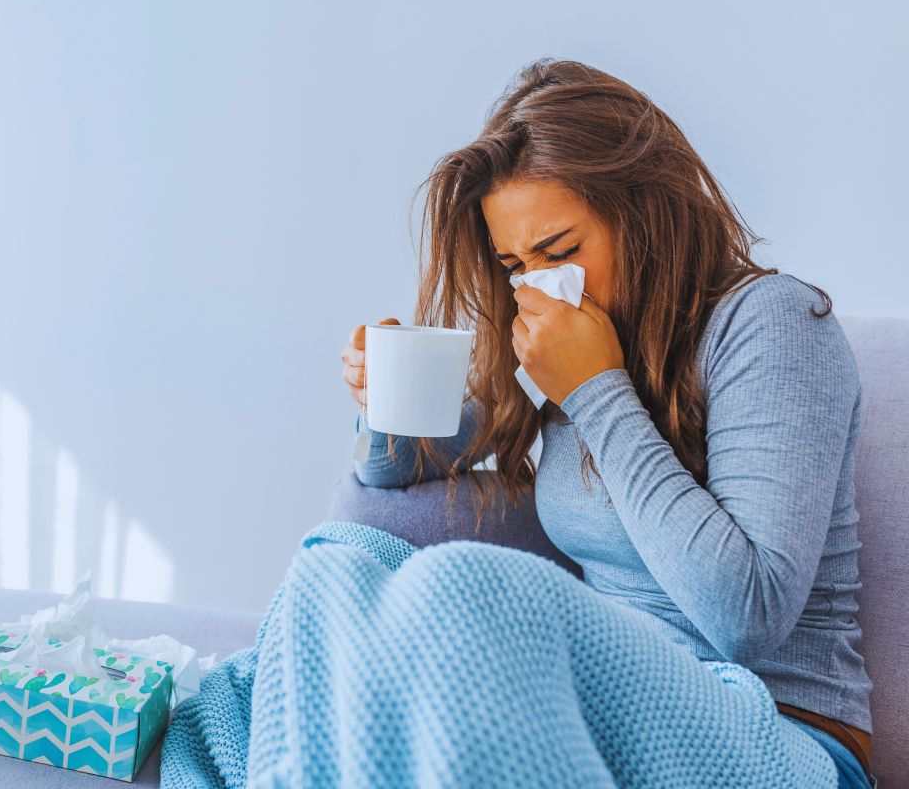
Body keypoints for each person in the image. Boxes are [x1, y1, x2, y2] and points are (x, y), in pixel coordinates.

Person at [339, 58, 875, 788]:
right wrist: (383, 404)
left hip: (780, 740)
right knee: (340, 563)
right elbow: (401, 466)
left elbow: (746, 615)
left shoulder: (771, 324)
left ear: (646, 213)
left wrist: (595, 389)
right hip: (604, 721)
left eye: (560, 252)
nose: (541, 287)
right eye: (516, 265)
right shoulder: (576, 344)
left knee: (459, 586)